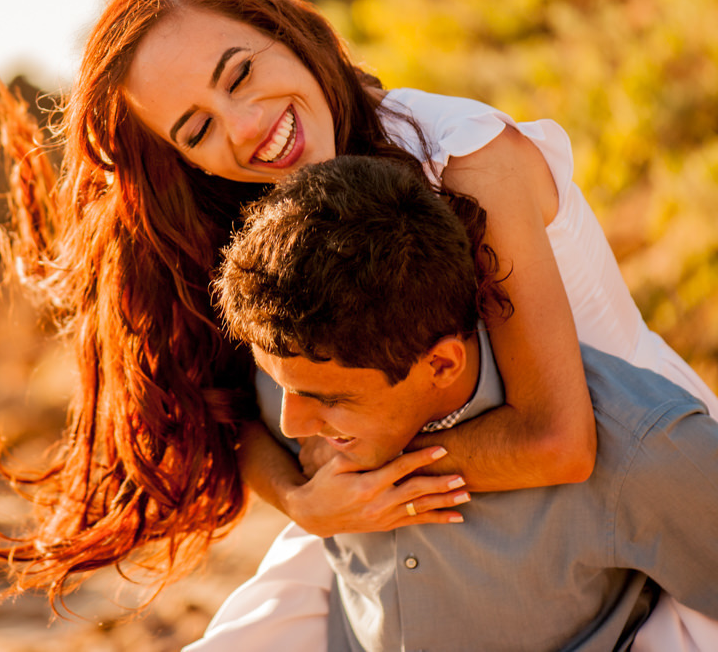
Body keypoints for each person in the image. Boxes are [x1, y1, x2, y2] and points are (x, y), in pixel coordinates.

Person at [0, 0, 718, 640]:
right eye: (199, 128)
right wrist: (304, 498)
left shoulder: (466, 161)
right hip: (393, 511)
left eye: (240, 74)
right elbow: (230, 411)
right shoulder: (258, 211)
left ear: (282, 27)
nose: (249, 129)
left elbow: (560, 439)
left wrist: (355, 476)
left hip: (621, 486)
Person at [210, 155, 718, 651]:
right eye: (280, 385)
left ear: (442, 364)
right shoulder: (302, 360)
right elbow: (240, 429)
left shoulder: (641, 451)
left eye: (329, 401)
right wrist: (297, 500)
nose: (293, 425)